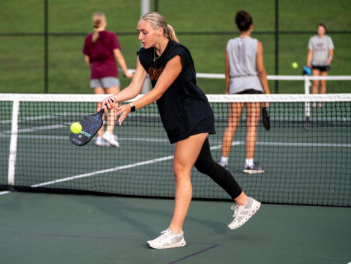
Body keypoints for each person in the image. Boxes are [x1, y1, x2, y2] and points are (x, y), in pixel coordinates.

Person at [100, 12, 261, 250]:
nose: (140, 37)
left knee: (180, 168)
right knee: (204, 164)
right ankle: (244, 202)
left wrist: (130, 107)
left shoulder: (178, 54)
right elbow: (135, 86)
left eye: (144, 32)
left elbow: (157, 92)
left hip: (194, 114)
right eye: (138, 32)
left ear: (159, 31)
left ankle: (176, 233)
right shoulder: (145, 55)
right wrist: (113, 98)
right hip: (176, 118)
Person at [218, 10, 270, 174]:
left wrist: (228, 90)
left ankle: (223, 162)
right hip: (253, 86)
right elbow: (261, 70)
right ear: (251, 26)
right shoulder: (257, 44)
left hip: (235, 87)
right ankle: (248, 164)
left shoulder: (229, 43)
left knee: (231, 124)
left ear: (238, 25)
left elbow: (227, 72)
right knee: (251, 126)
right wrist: (267, 93)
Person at [83, 12, 133, 147]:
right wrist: (127, 72)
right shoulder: (110, 36)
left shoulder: (89, 37)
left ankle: (99, 137)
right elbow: (118, 56)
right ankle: (108, 133)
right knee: (114, 103)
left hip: (95, 75)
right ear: (104, 22)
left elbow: (87, 59)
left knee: (100, 106)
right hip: (109, 73)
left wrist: (94, 68)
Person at [307, 23, 334, 107]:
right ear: (317, 30)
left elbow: (331, 51)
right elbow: (310, 52)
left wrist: (330, 58)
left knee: (323, 83)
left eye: (322, 29)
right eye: (319, 29)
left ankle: (321, 101)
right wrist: (308, 62)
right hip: (315, 64)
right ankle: (314, 101)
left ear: (324, 30)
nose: (320, 31)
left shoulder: (328, 39)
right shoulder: (313, 39)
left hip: (324, 64)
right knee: (315, 82)